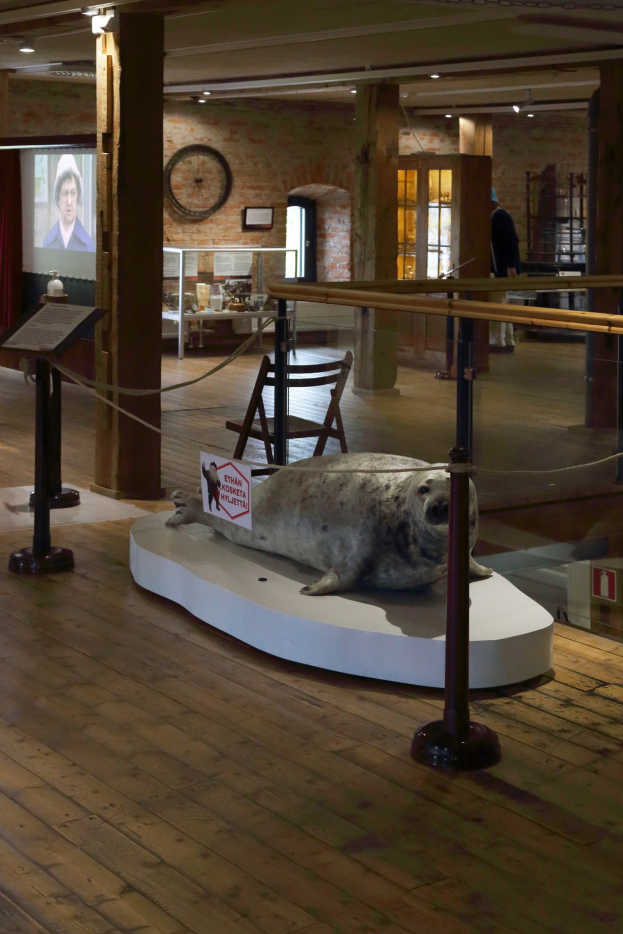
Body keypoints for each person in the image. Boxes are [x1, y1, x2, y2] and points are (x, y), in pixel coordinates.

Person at [42, 154, 95, 252]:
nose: (69, 202)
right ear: (58, 198)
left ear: (78, 197)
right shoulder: (47, 243)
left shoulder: (88, 245)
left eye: (73, 193)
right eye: (65, 193)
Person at [490, 188, 520, 351]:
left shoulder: (500, 217)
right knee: (502, 304)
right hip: (500, 268)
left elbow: (511, 244)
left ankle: (496, 341)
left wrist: (511, 267)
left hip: (500, 269)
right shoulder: (497, 216)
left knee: (497, 305)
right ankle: (508, 340)